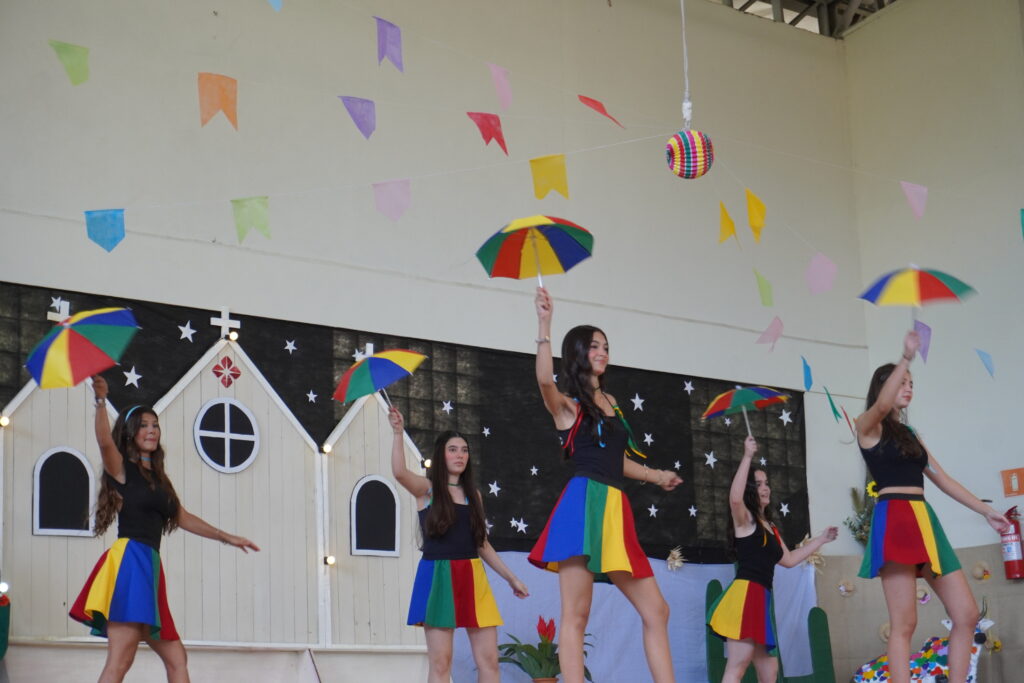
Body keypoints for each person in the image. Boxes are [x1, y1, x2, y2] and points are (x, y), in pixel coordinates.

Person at [527, 286, 682, 683]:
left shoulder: (611, 402)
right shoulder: (568, 405)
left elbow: (618, 460)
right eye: (595, 346)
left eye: (606, 347)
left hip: (614, 507)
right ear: (578, 353)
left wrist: (657, 475)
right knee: (576, 615)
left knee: (657, 610)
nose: (603, 352)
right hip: (583, 505)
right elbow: (544, 380)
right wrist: (544, 323)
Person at [70, 375, 259, 683]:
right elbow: (104, 441)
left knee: (176, 659)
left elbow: (182, 516)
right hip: (130, 563)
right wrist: (101, 399)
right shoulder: (122, 469)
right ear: (130, 433)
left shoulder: (158, 478)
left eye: (155, 425)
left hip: (150, 567)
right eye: (144, 425)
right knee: (121, 660)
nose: (152, 430)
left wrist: (227, 537)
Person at [855, 330, 1009, 683]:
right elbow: (881, 407)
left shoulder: (911, 436)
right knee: (904, 624)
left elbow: (944, 479)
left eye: (912, 383)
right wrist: (906, 357)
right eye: (902, 382)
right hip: (894, 519)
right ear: (883, 387)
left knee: (966, 614)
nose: (909, 388)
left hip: (924, 520)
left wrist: (986, 511)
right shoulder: (866, 426)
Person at [389, 406, 528, 683]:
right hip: (438, 576)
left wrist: (511, 577)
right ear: (441, 455)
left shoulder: (474, 494)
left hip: (473, 576)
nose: (460, 455)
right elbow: (400, 472)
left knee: (489, 661)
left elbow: (481, 542)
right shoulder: (426, 489)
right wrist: (397, 433)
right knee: (441, 663)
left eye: (464, 450)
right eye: (453, 450)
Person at [707, 435, 838, 683]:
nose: (765, 488)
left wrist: (821, 540)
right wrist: (747, 456)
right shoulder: (745, 520)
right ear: (749, 489)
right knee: (737, 666)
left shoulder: (770, 526)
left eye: (766, 483)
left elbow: (788, 560)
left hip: (760, 599)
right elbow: (734, 499)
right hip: (745, 596)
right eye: (758, 484)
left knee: (769, 670)